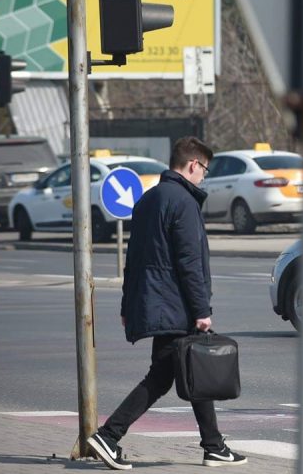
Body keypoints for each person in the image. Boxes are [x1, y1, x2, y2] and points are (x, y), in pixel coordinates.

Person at [87, 137, 247, 470]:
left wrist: (125, 305)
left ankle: (213, 446)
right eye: (204, 169)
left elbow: (133, 259)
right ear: (193, 165)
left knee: (187, 369)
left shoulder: (148, 200)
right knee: (171, 374)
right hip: (176, 305)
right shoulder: (184, 202)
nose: (204, 176)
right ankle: (108, 435)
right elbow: (189, 262)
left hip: (159, 302)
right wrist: (201, 310)